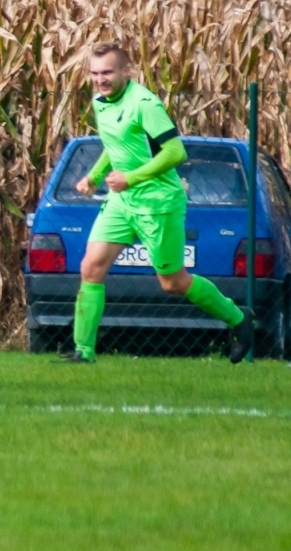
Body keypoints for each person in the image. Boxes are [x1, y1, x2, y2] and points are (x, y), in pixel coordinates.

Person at [63, 42, 253, 364]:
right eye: (95, 73)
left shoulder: (144, 104)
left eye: (107, 72)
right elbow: (115, 144)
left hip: (158, 203)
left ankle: (238, 319)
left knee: (173, 282)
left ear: (126, 71)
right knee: (91, 267)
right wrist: (95, 176)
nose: (100, 79)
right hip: (121, 201)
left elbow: (176, 152)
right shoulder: (100, 102)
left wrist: (131, 178)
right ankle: (83, 351)